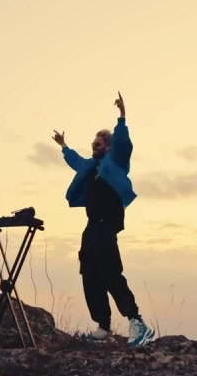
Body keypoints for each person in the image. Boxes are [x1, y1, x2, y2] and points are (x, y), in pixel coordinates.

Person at [52, 91, 155, 348]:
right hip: (92, 225)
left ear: (108, 146)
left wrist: (122, 117)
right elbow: (76, 161)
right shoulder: (91, 166)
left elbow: (123, 145)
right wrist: (64, 146)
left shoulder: (115, 162)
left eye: (97, 144)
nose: (93, 147)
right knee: (89, 272)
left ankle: (136, 321)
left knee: (109, 270)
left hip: (107, 223)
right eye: (93, 144)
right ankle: (103, 326)